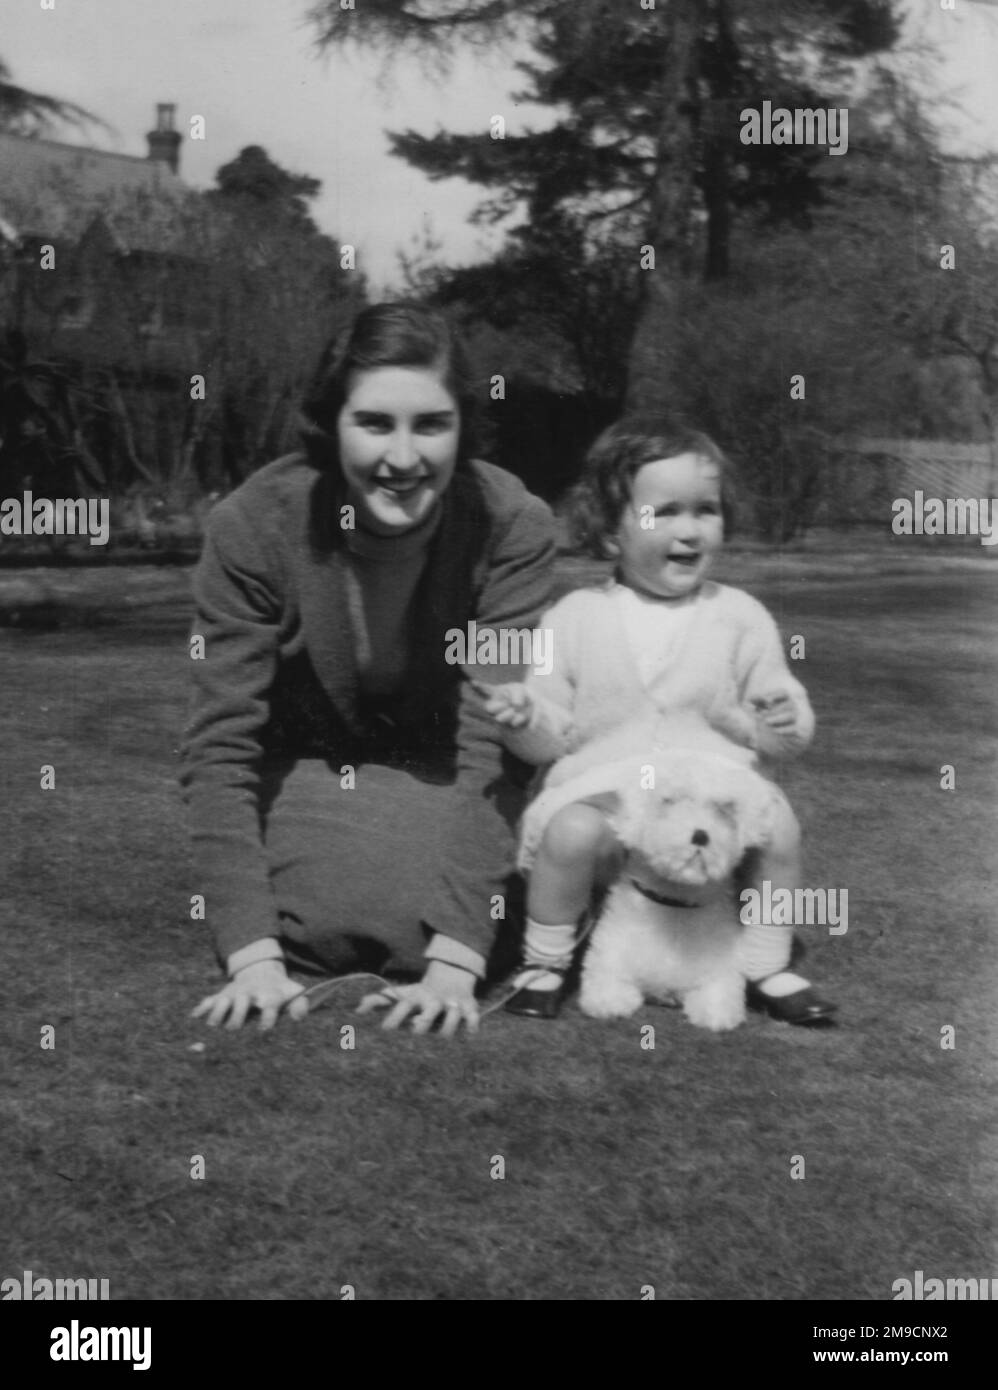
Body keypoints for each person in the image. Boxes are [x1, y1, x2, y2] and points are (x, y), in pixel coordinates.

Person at [183, 302, 556, 1036]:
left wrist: (456, 965)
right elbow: (220, 748)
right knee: (374, 899)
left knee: (420, 906)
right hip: (304, 771)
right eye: (375, 423)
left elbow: (495, 739)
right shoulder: (252, 526)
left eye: (432, 424)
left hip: (448, 775)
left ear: (463, 427)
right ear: (332, 426)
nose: (405, 458)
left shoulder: (512, 525)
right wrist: (255, 960)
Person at [479, 415, 837, 1025]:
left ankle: (765, 963)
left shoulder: (739, 615)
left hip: (712, 794)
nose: (689, 529)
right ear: (610, 532)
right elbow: (551, 736)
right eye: (663, 512)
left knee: (779, 825)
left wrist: (781, 719)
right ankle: (544, 962)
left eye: (706, 509)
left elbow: (776, 731)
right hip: (611, 796)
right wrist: (523, 718)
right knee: (568, 831)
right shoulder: (575, 616)